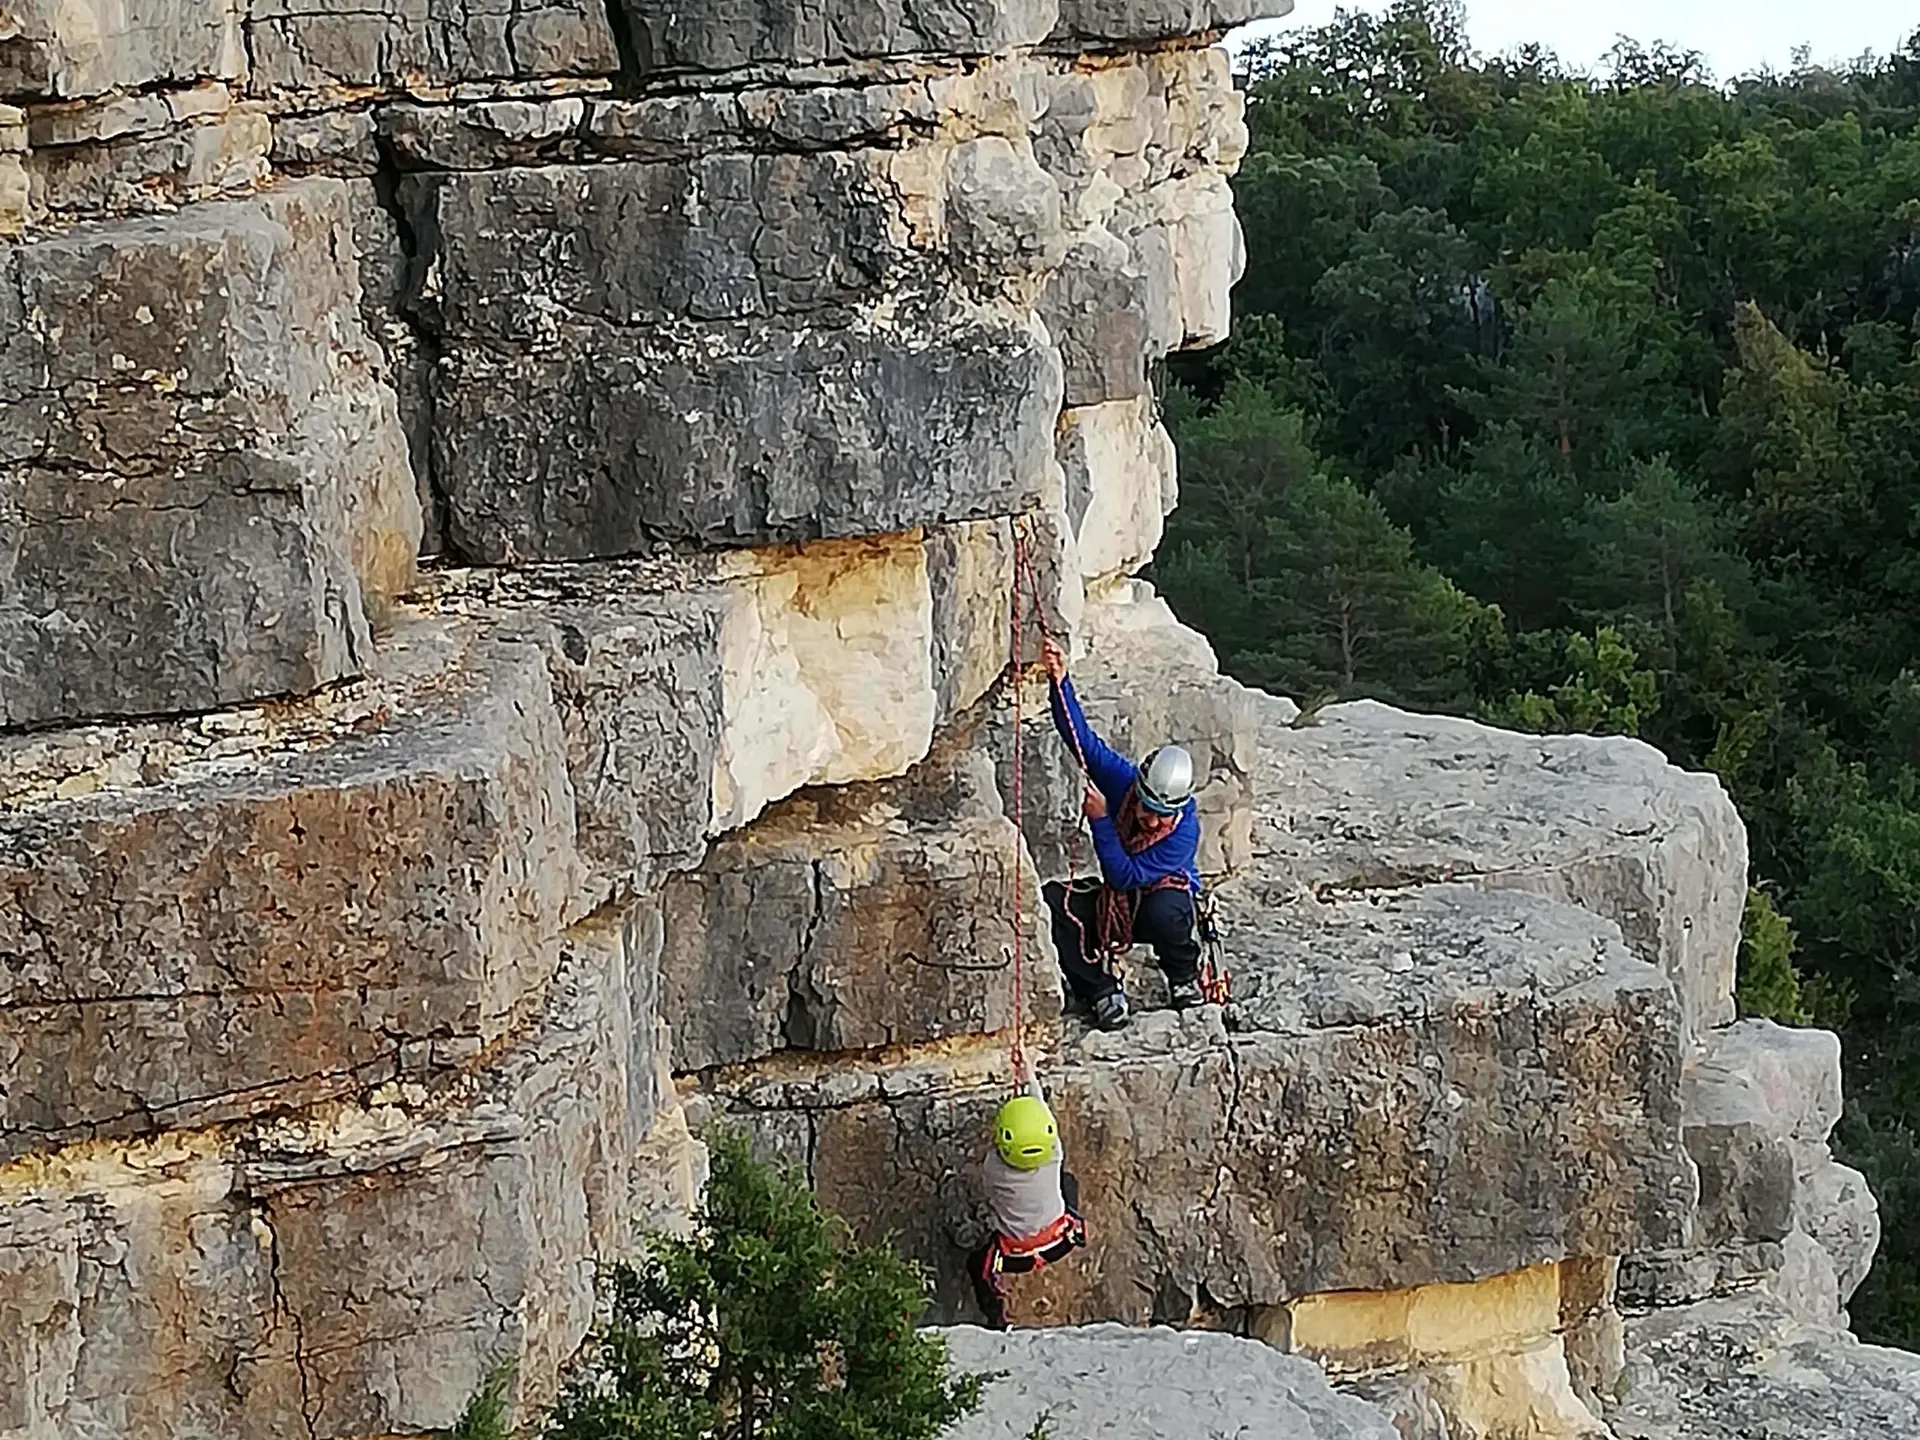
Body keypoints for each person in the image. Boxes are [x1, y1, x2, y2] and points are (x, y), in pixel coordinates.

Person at [1041, 637, 1204, 1030]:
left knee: (1167, 909)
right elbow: (1083, 743)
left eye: (1161, 816)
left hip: (1154, 898)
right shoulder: (1124, 783)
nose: (1150, 820)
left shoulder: (1185, 832)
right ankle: (1099, 990)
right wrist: (1060, 680)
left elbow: (1125, 875)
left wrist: (1100, 819)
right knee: (1055, 903)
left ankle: (1182, 977)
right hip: (1119, 902)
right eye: (1147, 808)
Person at [967, 1091, 1085, 1330]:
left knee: (975, 1263)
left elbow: (991, 1188)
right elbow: (1040, 1106)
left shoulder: (994, 1168)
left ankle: (995, 1317)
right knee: (1068, 1181)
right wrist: (1027, 1070)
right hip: (1059, 1243)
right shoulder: (1054, 1155)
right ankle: (1072, 1217)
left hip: (1013, 1258)